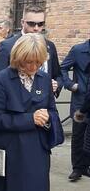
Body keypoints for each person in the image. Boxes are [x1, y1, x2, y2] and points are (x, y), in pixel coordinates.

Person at [0, 33, 59, 191]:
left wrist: (48, 118)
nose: (33, 67)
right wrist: (30, 119)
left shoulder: (45, 79)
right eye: (28, 62)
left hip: (38, 150)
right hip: (11, 149)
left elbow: (52, 110)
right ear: (18, 58)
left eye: (38, 62)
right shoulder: (0, 80)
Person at [0, 4, 62, 97]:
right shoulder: (7, 46)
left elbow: (57, 75)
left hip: (44, 102)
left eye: (40, 24)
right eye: (31, 24)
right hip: (15, 102)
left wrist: (56, 85)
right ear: (22, 22)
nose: (36, 28)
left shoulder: (49, 46)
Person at [60, 39, 90, 180]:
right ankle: (78, 168)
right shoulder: (78, 50)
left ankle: (86, 166)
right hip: (81, 100)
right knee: (78, 134)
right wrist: (70, 84)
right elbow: (63, 68)